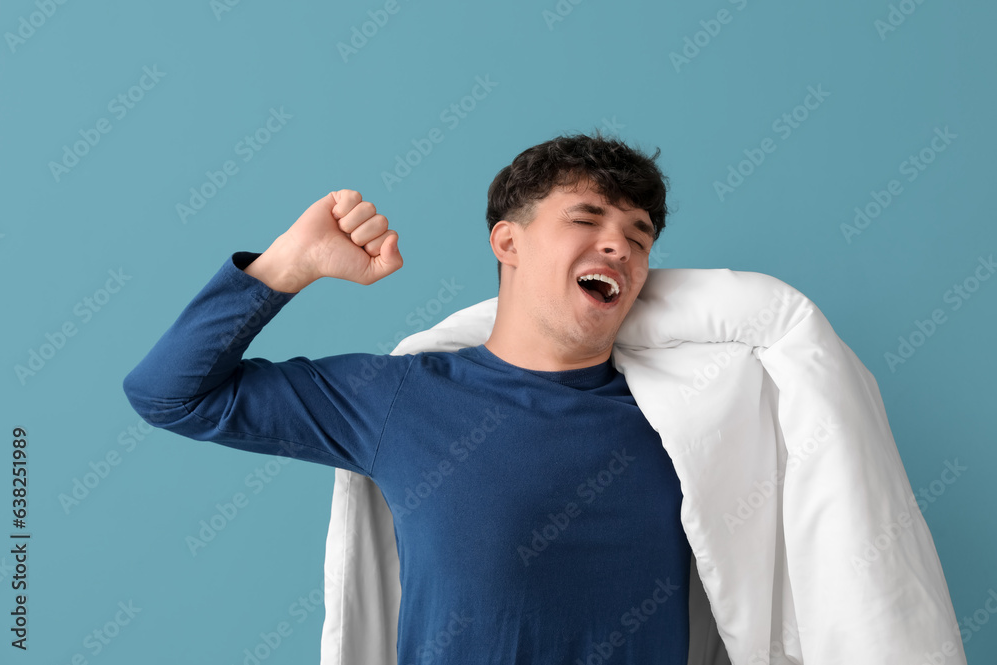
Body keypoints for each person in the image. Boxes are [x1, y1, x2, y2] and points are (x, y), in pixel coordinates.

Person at [122, 131, 693, 663]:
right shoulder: (398, 398)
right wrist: (287, 266)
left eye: (639, 237)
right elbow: (170, 393)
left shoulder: (688, 416)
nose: (619, 245)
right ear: (508, 241)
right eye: (586, 219)